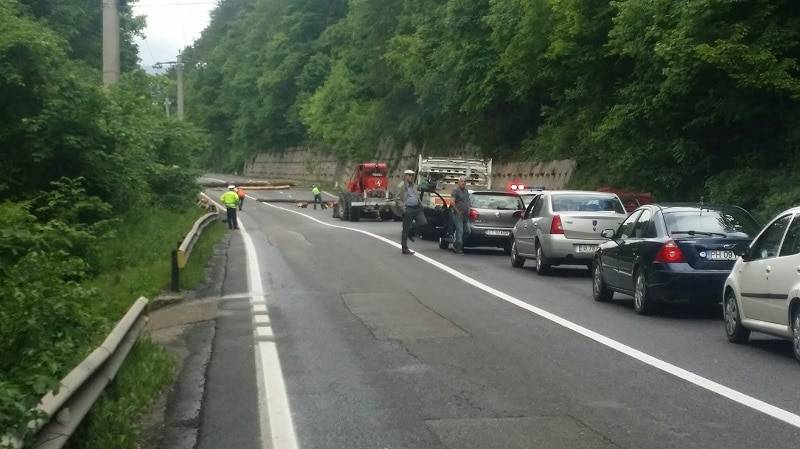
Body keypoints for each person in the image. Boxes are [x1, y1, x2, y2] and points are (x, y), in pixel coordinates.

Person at [395, 169, 427, 255]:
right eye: (409, 175)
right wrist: (403, 208)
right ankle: (404, 248)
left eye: (412, 175)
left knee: (423, 222)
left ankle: (411, 231)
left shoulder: (414, 185)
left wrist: (420, 204)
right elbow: (397, 198)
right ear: (405, 176)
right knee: (405, 229)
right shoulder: (401, 185)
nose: (411, 177)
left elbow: (417, 195)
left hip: (417, 208)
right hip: (407, 208)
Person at [451, 176, 471, 254]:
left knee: (468, 231)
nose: (463, 183)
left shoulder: (466, 191)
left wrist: (469, 209)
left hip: (466, 215)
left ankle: (456, 244)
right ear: (458, 182)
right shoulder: (455, 191)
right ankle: (458, 248)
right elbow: (452, 202)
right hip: (458, 215)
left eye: (464, 181)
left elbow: (468, 201)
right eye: (462, 181)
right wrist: (457, 211)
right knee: (460, 231)